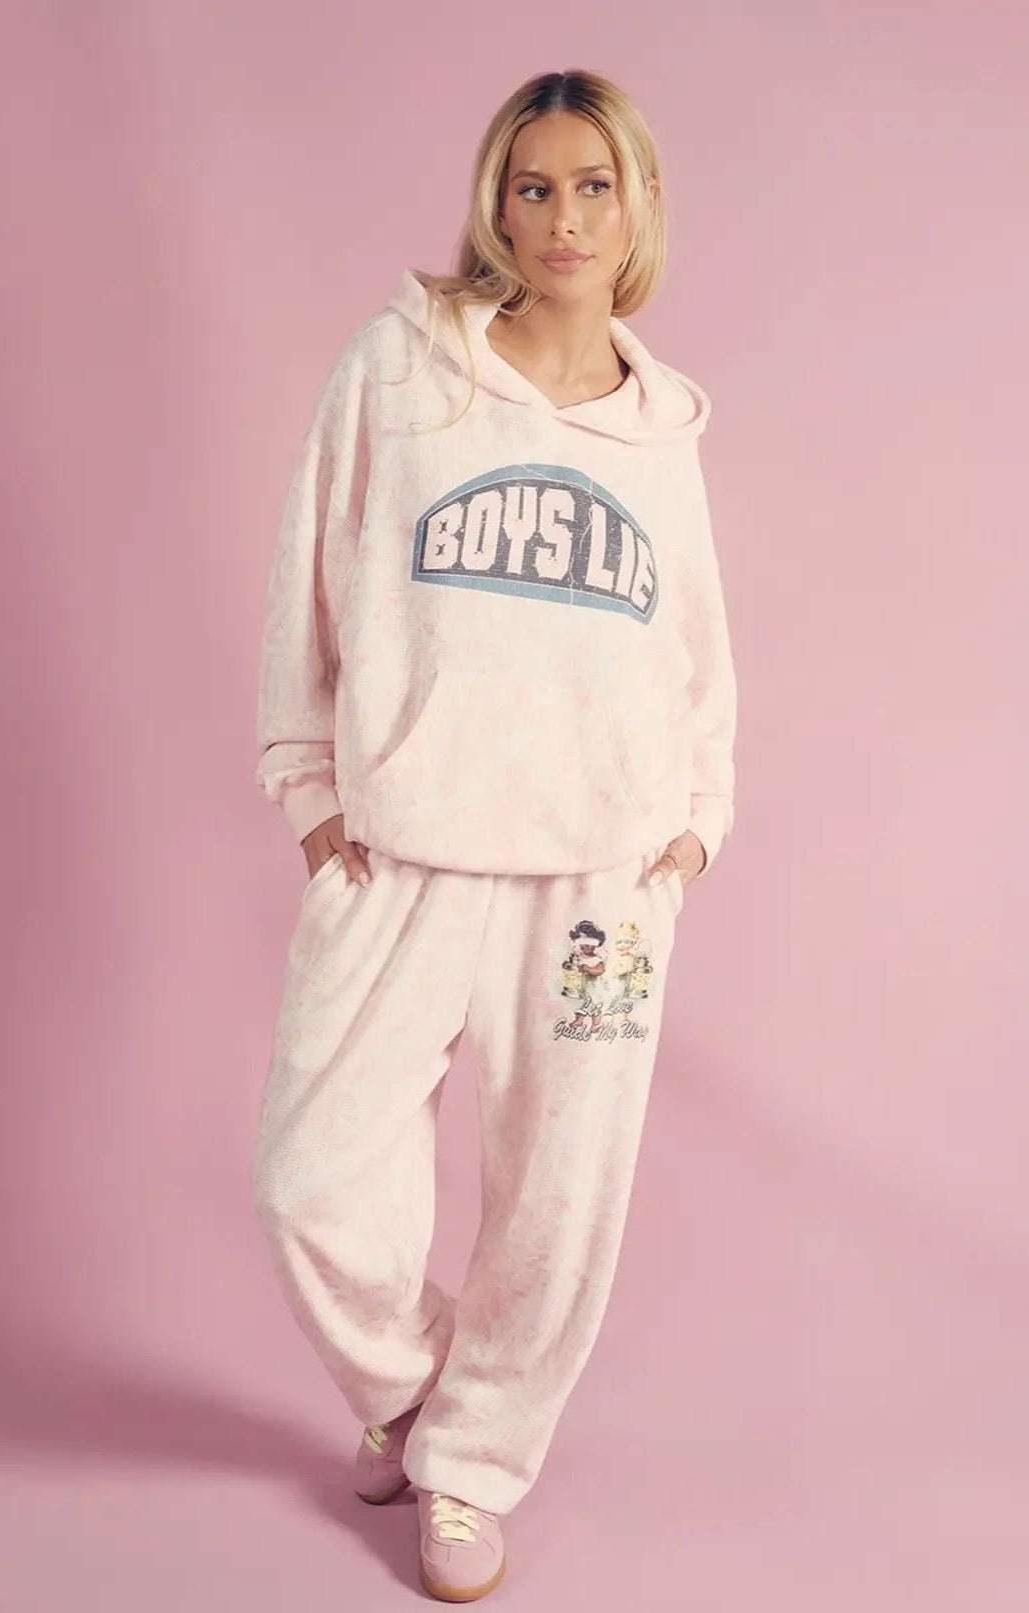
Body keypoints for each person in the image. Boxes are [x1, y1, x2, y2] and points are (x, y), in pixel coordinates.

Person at [251, 66, 737, 1603]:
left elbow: (694, 649)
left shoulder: (662, 430)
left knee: (557, 1204)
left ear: (638, 207)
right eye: (535, 187)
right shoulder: (403, 368)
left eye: (595, 186)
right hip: (403, 855)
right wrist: (312, 791)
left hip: (596, 886)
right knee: (311, 1178)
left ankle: (470, 1465)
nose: (564, 217)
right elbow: (310, 573)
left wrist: (692, 828)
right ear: (496, 207)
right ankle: (412, 1389)